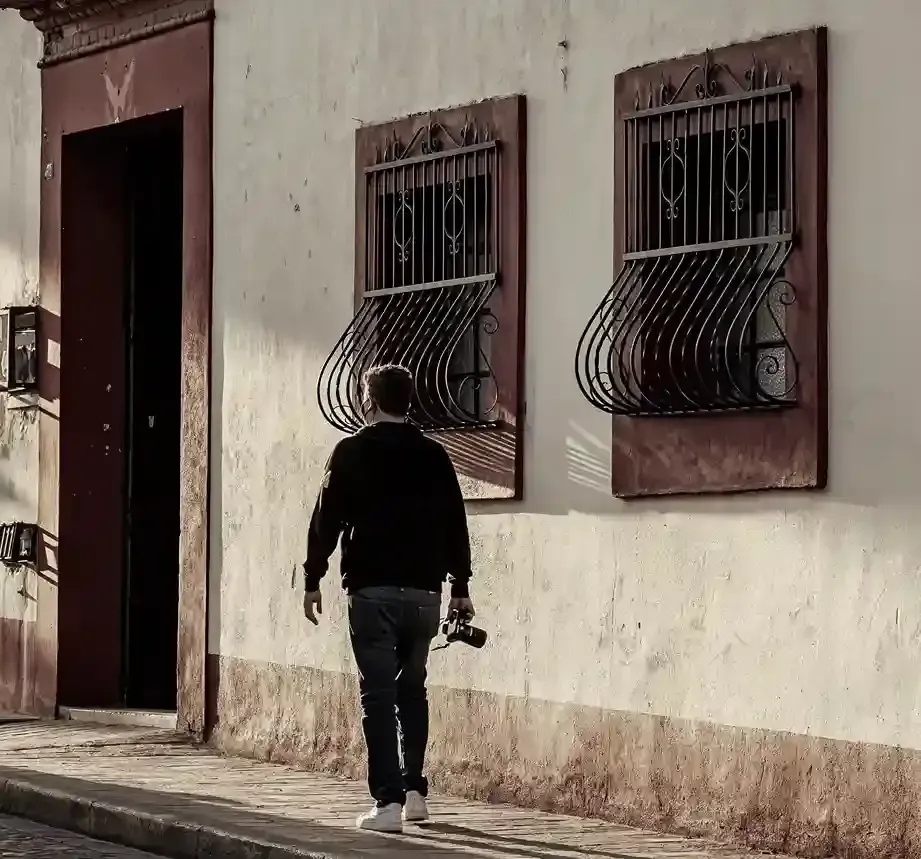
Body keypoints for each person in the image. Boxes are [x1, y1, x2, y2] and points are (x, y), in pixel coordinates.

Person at [303, 364, 475, 833]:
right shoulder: (434, 455)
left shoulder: (351, 452)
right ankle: (416, 792)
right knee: (412, 691)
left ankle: (387, 804)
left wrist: (312, 576)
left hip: (372, 589)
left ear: (368, 401)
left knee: (377, 695)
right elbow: (454, 521)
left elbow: (326, 519)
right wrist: (460, 586)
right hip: (425, 593)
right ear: (408, 401)